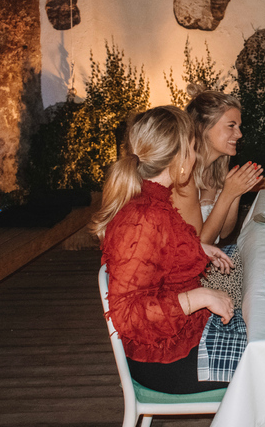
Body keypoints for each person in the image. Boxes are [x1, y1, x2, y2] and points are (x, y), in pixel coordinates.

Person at [92, 106, 237, 394]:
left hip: (187, 336)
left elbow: (159, 251)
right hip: (167, 361)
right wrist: (200, 296)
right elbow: (127, 316)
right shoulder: (143, 217)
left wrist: (195, 248)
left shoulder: (152, 199)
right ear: (178, 158)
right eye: (193, 149)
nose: (195, 158)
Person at [173, 89, 263, 245]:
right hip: (187, 265)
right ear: (203, 128)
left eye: (239, 126)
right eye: (231, 126)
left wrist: (236, 192)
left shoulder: (217, 169)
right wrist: (228, 194)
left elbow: (224, 232)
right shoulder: (184, 177)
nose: (240, 134)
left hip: (210, 257)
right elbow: (198, 247)